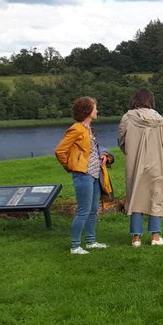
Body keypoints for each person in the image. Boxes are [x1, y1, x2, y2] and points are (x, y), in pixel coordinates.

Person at [54, 96, 113, 255]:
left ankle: (91, 241)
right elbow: (60, 151)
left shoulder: (89, 129)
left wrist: (103, 157)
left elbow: (90, 151)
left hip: (94, 175)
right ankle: (75, 246)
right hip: (83, 175)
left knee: (93, 209)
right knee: (83, 211)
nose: (97, 111)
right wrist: (72, 166)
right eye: (95, 108)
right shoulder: (77, 129)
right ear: (88, 111)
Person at [118, 88, 163, 247]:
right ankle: (155, 236)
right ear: (151, 100)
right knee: (156, 197)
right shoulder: (160, 119)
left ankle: (136, 238)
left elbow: (122, 141)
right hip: (157, 164)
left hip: (135, 163)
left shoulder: (127, 118)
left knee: (135, 197)